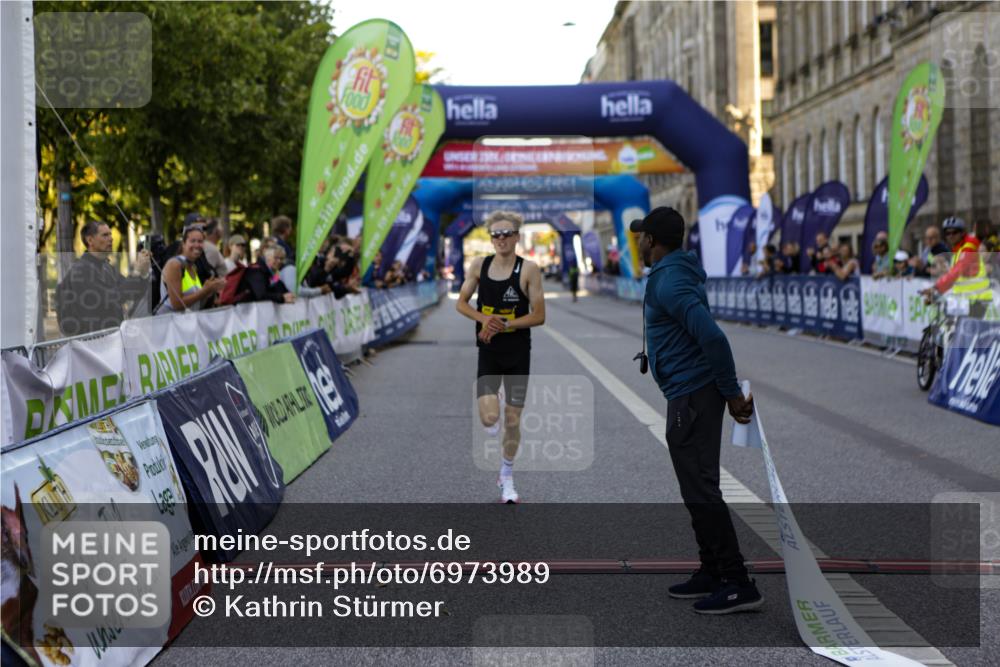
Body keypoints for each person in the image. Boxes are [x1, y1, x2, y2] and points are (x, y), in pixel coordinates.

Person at [630, 206, 759, 615]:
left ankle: (737, 582)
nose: (639, 242)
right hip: (687, 393)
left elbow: (713, 338)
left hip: (693, 396)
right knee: (695, 488)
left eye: (642, 236)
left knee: (701, 489)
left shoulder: (670, 282)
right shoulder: (672, 274)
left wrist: (732, 393)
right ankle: (712, 570)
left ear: (653, 240)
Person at [455, 211, 545, 504]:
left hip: (518, 352)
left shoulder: (528, 269)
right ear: (491, 238)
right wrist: (485, 320)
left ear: (517, 237)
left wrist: (506, 324)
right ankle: (494, 413)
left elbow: (539, 315)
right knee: (490, 419)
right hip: (489, 350)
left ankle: (506, 475)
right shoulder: (479, 266)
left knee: (513, 419)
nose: (501, 238)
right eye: (496, 234)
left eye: (507, 233)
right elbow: (461, 303)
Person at [56, 220, 152, 335]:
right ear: (90, 240)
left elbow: (131, 293)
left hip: (110, 338)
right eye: (105, 235)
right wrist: (136, 272)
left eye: (110, 234)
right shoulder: (81, 270)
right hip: (92, 342)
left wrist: (143, 273)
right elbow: (113, 297)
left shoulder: (105, 266)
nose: (111, 239)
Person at [922, 216, 993, 319]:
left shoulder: (968, 248)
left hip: (978, 300)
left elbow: (956, 272)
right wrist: (938, 292)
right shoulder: (957, 250)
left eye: (954, 232)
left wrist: (936, 287)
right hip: (966, 300)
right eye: (947, 233)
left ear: (962, 233)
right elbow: (956, 279)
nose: (951, 236)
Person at [157, 225, 225, 313]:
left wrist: (209, 291)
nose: (197, 245)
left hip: (187, 320)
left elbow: (194, 305)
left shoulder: (193, 266)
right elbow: (177, 304)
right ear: (183, 244)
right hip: (169, 320)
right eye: (192, 241)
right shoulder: (174, 264)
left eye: (200, 241)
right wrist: (204, 291)